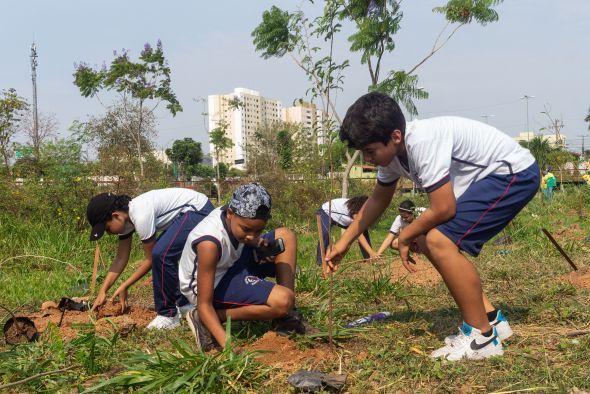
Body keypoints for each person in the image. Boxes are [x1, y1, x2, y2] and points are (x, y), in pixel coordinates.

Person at [325, 92, 539, 361]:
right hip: (493, 177)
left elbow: (444, 207)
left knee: (436, 239)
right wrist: (344, 244)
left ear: (395, 136)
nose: (368, 159)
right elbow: (377, 201)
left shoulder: (423, 142)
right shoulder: (391, 156)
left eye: (370, 151)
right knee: (428, 239)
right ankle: (491, 319)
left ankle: (481, 337)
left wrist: (405, 235)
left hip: (512, 173)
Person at [178, 183, 304, 351]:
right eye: (246, 229)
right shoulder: (209, 244)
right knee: (283, 300)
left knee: (285, 236)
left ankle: (286, 317)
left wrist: (256, 242)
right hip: (212, 284)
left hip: (232, 263)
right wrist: (228, 344)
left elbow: (249, 234)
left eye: (259, 230)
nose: (252, 235)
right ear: (230, 213)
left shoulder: (235, 215)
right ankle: (204, 319)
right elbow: (204, 304)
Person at [86, 188, 214, 330]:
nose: (109, 234)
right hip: (187, 212)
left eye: (108, 229)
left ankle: (168, 315)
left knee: (161, 254)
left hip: (199, 210)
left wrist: (125, 285)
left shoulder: (140, 215)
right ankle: (184, 304)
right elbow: (121, 258)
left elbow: (151, 259)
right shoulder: (127, 220)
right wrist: (103, 290)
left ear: (116, 216)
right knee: (162, 253)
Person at [316, 196, 377, 265]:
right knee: (325, 234)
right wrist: (372, 252)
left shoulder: (361, 208)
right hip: (326, 211)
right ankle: (321, 262)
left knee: (364, 230)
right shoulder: (356, 210)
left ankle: (368, 258)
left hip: (342, 217)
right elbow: (359, 234)